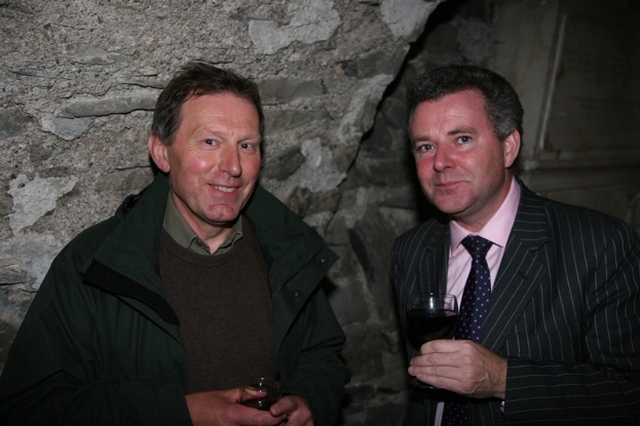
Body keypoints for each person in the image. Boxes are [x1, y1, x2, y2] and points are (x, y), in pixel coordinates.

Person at [0, 61, 349, 426]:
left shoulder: (287, 249)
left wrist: (309, 401)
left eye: (246, 145)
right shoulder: (93, 264)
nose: (233, 166)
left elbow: (322, 356)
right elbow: (31, 407)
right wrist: (182, 414)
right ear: (162, 152)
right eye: (210, 142)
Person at [392, 64, 640, 425]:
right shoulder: (410, 250)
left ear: (509, 147)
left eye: (462, 139)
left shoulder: (601, 244)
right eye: (425, 146)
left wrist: (504, 380)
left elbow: (630, 390)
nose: (440, 163)